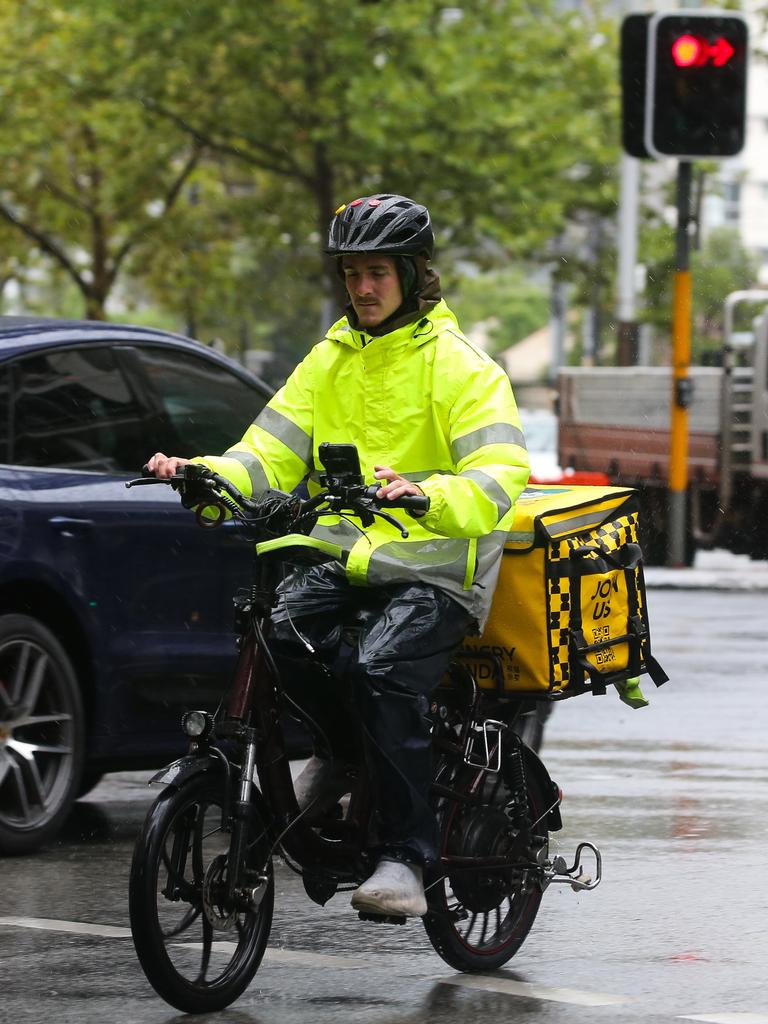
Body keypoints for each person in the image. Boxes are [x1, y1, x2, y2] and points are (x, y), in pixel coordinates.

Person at [147, 193, 530, 918]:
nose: (361, 287)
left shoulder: (463, 368)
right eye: (351, 273)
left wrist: (426, 495)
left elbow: (501, 475)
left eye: (377, 272)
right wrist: (201, 473)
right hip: (348, 561)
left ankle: (407, 857)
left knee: (382, 667)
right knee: (277, 634)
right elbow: (266, 453)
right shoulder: (327, 362)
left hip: (436, 568)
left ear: (416, 275)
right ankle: (348, 755)